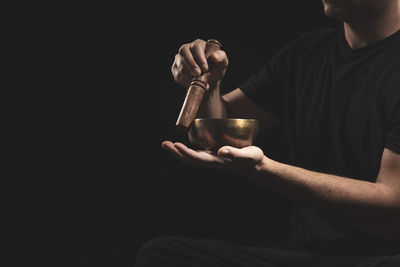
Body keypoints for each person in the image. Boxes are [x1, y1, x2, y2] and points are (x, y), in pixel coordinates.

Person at [135, 0, 400, 266]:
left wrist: (263, 169)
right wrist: (210, 85)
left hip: (382, 257)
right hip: (304, 253)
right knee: (162, 256)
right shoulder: (306, 53)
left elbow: (391, 216)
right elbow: (216, 133)